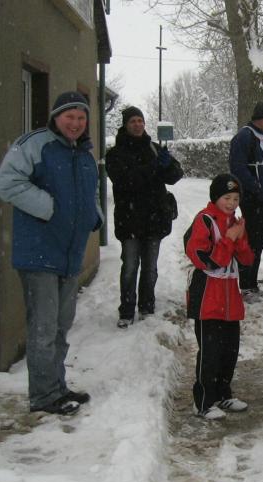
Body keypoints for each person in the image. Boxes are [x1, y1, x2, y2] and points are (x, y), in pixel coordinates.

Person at [0, 91, 103, 415]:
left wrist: (94, 215)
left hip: (69, 254)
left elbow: (92, 191)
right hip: (39, 252)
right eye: (69, 116)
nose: (76, 123)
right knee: (43, 328)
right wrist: (49, 207)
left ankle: (57, 386)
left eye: (81, 117)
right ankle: (43, 396)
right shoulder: (34, 145)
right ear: (56, 117)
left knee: (60, 326)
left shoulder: (83, 153)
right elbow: (7, 182)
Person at [106, 105, 184, 328]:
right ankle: (126, 310)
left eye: (140, 120)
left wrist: (168, 166)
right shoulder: (115, 154)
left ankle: (147, 306)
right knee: (130, 267)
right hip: (129, 219)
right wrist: (153, 167)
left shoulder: (153, 148)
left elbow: (175, 175)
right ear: (125, 125)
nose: (138, 124)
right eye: (133, 121)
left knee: (150, 267)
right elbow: (127, 181)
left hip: (154, 219)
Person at [184, 174, 254, 420]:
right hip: (208, 296)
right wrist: (229, 239)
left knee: (229, 350)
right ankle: (203, 401)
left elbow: (247, 260)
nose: (232, 203)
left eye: (236, 198)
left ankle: (224, 394)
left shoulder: (234, 222)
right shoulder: (204, 220)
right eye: (227, 198)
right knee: (210, 352)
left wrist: (240, 239)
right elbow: (209, 261)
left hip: (230, 296)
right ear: (215, 197)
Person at [228, 100, 263, 301]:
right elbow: (237, 167)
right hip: (252, 198)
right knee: (250, 242)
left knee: (259, 242)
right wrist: (256, 187)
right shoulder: (244, 136)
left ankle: (252, 283)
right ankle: (245, 286)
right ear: (260, 118)